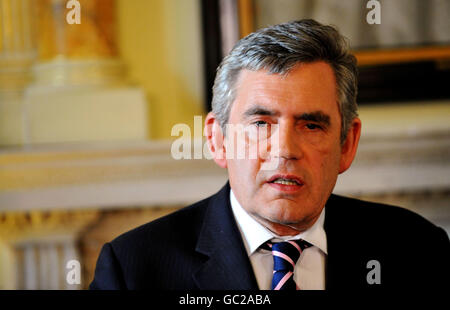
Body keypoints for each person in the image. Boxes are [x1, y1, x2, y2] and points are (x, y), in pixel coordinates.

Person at [90, 19, 449, 290]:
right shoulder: (135, 270)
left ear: (347, 144)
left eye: (311, 125)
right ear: (218, 141)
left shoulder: (417, 250)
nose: (285, 150)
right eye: (261, 123)